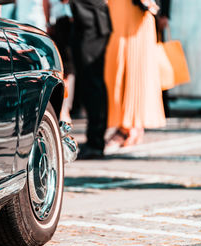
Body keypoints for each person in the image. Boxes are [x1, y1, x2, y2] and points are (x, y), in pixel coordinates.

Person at [104, 0, 166, 151]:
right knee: (117, 67)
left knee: (135, 68)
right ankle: (130, 125)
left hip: (136, 13)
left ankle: (128, 127)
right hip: (118, 11)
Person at [70, 0, 112, 159]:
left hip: (92, 23)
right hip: (85, 22)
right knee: (89, 83)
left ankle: (96, 141)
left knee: (93, 83)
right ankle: (94, 139)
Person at [44, 0, 75, 123]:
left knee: (69, 70)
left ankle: (65, 108)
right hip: (60, 22)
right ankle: (64, 109)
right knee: (65, 70)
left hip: (71, 22)